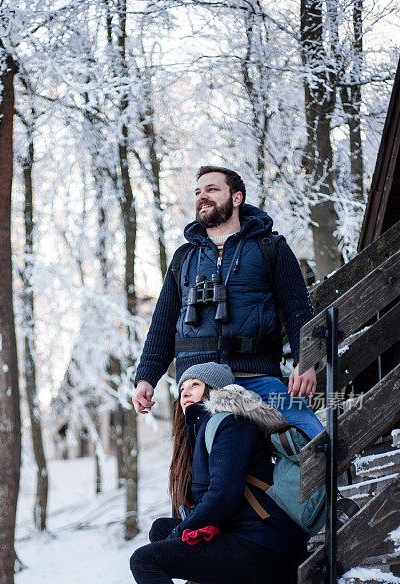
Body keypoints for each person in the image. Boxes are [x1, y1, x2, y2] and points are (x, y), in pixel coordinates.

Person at [129, 363, 308, 584]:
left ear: (216, 391)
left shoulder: (232, 422)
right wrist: (178, 533)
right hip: (253, 546)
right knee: (161, 530)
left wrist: (179, 537)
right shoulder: (209, 427)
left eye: (194, 385)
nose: (184, 392)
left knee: (146, 561)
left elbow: (223, 497)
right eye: (182, 388)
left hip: (270, 553)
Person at [132, 165, 323, 441]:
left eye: (212, 189)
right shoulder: (183, 258)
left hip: (259, 378)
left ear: (236, 198)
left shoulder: (271, 248)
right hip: (200, 385)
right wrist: (145, 379)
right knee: (216, 474)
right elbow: (162, 326)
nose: (202, 197)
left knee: (316, 443)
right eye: (198, 192)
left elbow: (298, 311)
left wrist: (307, 362)